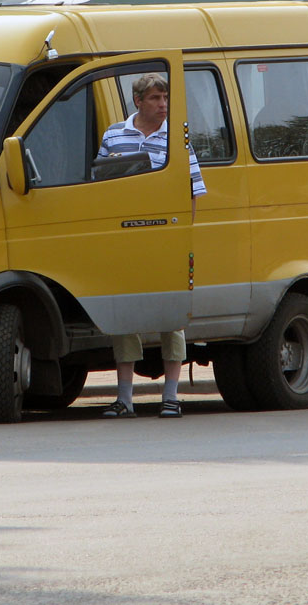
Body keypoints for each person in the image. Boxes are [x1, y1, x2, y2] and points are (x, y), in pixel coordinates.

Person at [99, 73, 206, 419]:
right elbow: (100, 184)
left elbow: (193, 190)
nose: (163, 104)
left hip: (165, 241)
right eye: (156, 98)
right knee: (125, 317)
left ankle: (171, 397)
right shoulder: (114, 134)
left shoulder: (179, 138)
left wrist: (184, 236)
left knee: (171, 317)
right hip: (126, 241)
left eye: (166, 98)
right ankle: (125, 399)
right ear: (138, 102)